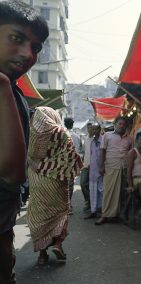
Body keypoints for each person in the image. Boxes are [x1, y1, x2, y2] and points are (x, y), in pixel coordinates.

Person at [0, 1, 49, 282]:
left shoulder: (13, 90)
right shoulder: (6, 87)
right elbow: (11, 172)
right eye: (16, 38)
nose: (28, 54)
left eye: (36, 47)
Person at [27, 106, 82, 264]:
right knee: (61, 212)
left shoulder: (31, 133)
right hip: (57, 180)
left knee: (39, 215)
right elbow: (71, 158)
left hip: (37, 179)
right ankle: (58, 244)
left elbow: (28, 155)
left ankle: (42, 255)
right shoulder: (62, 133)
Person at [96, 117, 132, 225]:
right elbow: (102, 151)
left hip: (123, 167)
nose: (122, 126)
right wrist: (101, 166)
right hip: (110, 166)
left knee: (120, 193)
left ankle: (116, 214)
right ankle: (104, 215)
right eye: (120, 123)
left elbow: (131, 154)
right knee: (108, 191)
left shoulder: (129, 139)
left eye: (123, 124)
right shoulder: (107, 136)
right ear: (115, 124)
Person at [85, 124, 104, 219]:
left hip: (101, 169)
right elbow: (90, 155)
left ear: (100, 129)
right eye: (93, 129)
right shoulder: (91, 141)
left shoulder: (103, 140)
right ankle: (93, 211)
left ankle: (102, 210)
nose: (94, 131)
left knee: (101, 191)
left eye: (96, 129)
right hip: (92, 169)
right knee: (92, 191)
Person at [64, 117, 82, 212]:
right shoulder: (77, 136)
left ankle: (65, 205)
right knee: (70, 186)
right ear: (73, 124)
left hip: (62, 164)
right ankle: (68, 205)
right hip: (72, 164)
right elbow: (78, 151)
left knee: (62, 185)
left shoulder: (61, 134)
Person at [80, 122, 93, 211]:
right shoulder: (86, 138)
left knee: (92, 186)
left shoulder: (96, 139)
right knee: (82, 183)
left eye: (91, 128)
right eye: (88, 128)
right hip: (85, 165)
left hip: (94, 166)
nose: (89, 130)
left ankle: (92, 203)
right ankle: (88, 201)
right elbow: (85, 152)